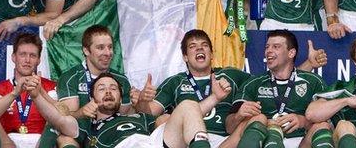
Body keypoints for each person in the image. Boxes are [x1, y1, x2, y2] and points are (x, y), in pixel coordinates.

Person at [30, 72, 213, 148]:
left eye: (113, 88)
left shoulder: (138, 117)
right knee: (64, 136)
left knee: (188, 104)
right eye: (101, 89)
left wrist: (145, 104)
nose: (108, 92)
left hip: (150, 143)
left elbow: (169, 123)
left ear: (120, 97)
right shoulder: (88, 124)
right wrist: (37, 95)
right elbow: (61, 120)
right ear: (92, 98)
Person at [134, 29, 250, 147]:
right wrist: (142, 101)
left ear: (211, 54)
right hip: (186, 142)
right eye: (192, 46)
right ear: (185, 57)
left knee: (257, 120)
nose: (199, 48)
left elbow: (261, 84)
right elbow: (149, 112)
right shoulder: (175, 82)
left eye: (204, 45)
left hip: (225, 141)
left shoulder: (231, 75)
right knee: (166, 118)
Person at [226, 30, 332, 148]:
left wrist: (302, 121)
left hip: (301, 141)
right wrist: (238, 115)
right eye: (267, 47)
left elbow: (330, 125)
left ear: (291, 53)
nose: (269, 51)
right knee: (259, 120)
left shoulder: (313, 81)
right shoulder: (253, 83)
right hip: (265, 140)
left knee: (321, 126)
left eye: (276, 47)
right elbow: (229, 128)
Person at [0, 33, 57, 148]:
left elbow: (61, 116)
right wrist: (14, 93)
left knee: (57, 115)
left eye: (33, 55)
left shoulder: (50, 86)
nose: (27, 60)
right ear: (13, 57)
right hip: (8, 142)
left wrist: (41, 93)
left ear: (39, 60)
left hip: (41, 142)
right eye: (22, 54)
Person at [56, 25, 133, 116]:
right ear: (86, 51)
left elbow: (125, 116)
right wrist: (82, 113)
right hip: (83, 130)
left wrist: (140, 103)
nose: (107, 53)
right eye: (100, 48)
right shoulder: (70, 78)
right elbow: (66, 119)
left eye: (110, 47)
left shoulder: (122, 80)